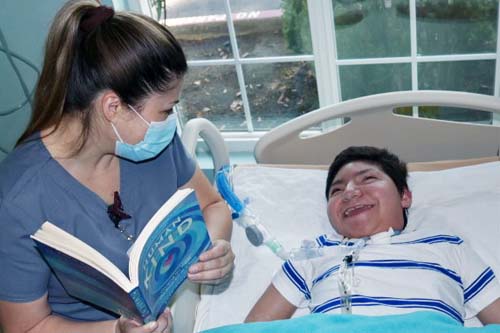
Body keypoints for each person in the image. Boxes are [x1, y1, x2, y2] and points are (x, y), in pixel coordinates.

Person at [0, 1, 234, 332]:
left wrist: (215, 247)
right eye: (166, 110)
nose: (170, 123)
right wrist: (114, 331)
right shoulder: (18, 198)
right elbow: (26, 327)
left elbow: (212, 205)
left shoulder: (153, 144)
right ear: (113, 106)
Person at [245, 146, 500, 325]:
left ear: (404, 195)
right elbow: (256, 328)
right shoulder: (314, 252)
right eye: (336, 190)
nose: (350, 192)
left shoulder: (447, 246)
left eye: (367, 179)